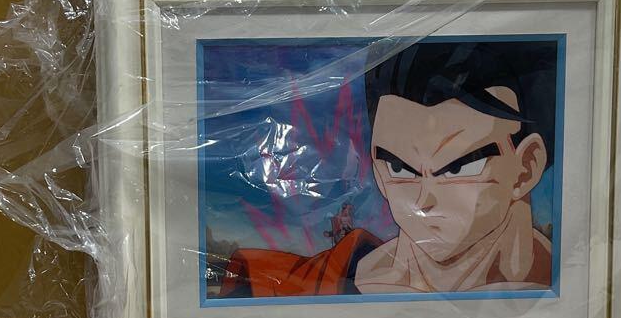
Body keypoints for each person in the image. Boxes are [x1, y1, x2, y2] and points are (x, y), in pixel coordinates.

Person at [218, 40, 557, 297]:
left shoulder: (569, 288)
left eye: (456, 170)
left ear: (526, 167)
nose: (423, 201)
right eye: (400, 168)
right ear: (378, 170)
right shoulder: (303, 285)